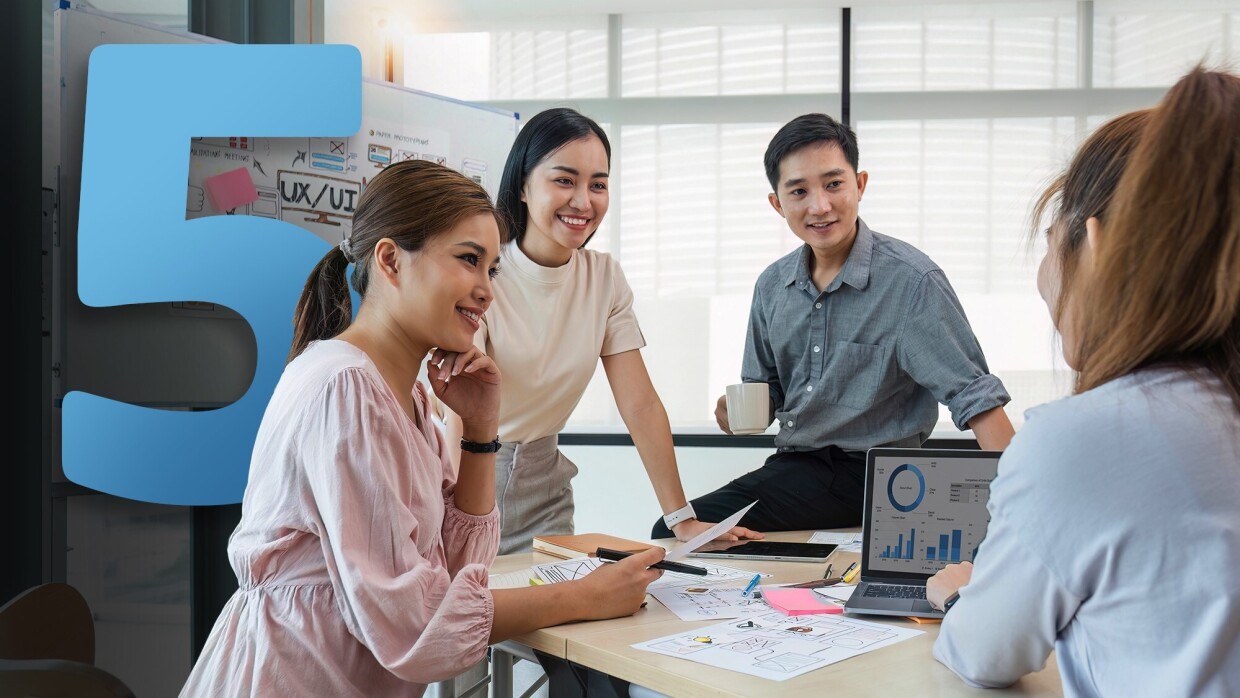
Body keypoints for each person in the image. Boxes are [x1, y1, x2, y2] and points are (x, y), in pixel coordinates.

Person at [180, 160, 665, 697]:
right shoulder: (345, 389)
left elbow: (457, 576)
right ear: (390, 260)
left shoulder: (405, 394)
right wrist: (585, 597)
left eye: (492, 269)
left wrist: (480, 429)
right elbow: (416, 622)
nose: (486, 290)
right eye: (468, 260)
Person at [927, 67, 1240, 696]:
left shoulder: (1085, 439)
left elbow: (986, 653)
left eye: (1050, 245)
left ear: (1095, 245)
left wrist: (961, 593)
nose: (1044, 274)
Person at [652, 113, 1014, 538]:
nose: (819, 205)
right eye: (799, 191)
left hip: (882, 476)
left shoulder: (911, 281)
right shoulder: (773, 285)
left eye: (834, 184)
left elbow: (974, 396)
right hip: (799, 469)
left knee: (672, 530)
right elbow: (765, 394)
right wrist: (732, 413)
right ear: (777, 203)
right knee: (690, 532)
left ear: (860, 185)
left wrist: (1022, 503)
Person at [442, 107, 759, 554]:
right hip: (463, 479)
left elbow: (640, 403)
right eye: (564, 180)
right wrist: (451, 520)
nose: (583, 201)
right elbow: (458, 412)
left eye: (598, 184)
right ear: (523, 188)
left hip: (545, 490)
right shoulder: (484, 276)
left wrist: (681, 518)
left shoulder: (604, 277)